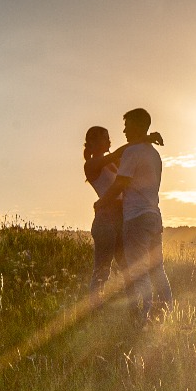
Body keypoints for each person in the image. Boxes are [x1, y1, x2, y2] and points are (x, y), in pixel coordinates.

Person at [103, 107, 173, 320]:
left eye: (127, 125)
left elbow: (121, 182)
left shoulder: (133, 152)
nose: (124, 130)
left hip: (136, 217)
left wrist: (102, 201)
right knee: (157, 268)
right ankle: (167, 313)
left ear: (138, 126)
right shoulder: (154, 153)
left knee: (138, 269)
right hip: (154, 215)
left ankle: (143, 317)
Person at [83, 125, 124, 298]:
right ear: (93, 142)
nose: (109, 140)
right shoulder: (91, 164)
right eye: (104, 137)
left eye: (108, 137)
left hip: (121, 218)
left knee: (127, 265)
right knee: (102, 269)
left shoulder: (112, 162)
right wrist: (140, 140)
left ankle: (132, 308)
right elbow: (117, 154)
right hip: (105, 220)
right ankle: (94, 307)